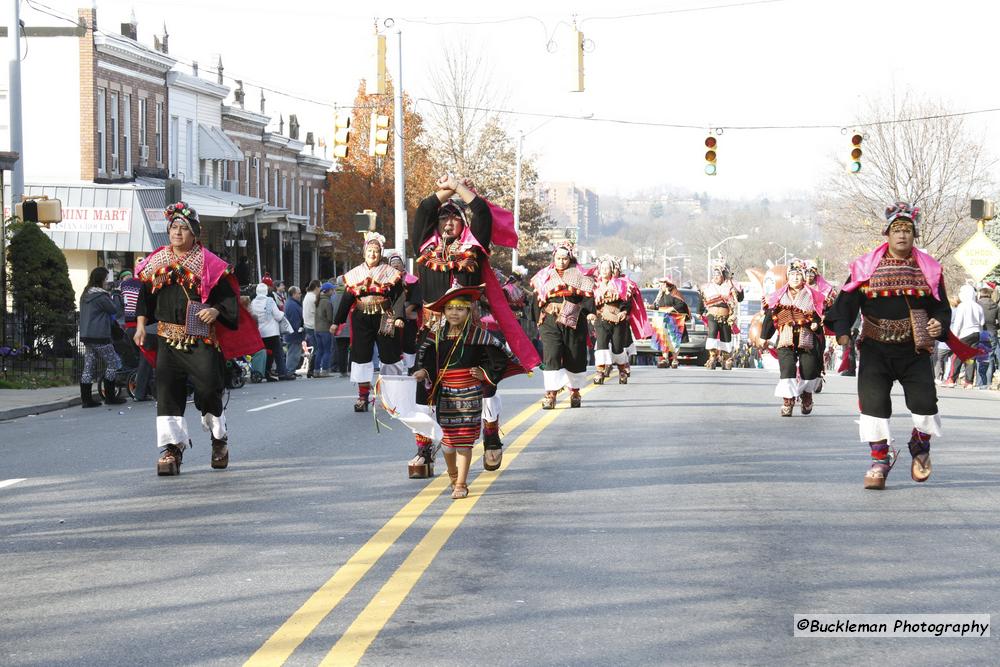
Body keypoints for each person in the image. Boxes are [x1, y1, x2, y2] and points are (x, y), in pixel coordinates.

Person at [826, 201, 967, 490]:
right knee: (874, 406)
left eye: (908, 230)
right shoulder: (865, 268)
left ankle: (920, 446)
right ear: (887, 234)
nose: (902, 235)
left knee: (926, 406)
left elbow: (941, 308)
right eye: (897, 229)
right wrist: (842, 332)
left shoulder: (929, 270)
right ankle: (880, 459)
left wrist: (939, 323)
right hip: (875, 348)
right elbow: (847, 303)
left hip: (914, 349)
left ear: (914, 235)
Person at [408, 175, 540, 477]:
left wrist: (459, 188)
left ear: (462, 224)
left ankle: (491, 433)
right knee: (424, 384)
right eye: (443, 219)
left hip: (469, 328)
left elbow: (481, 211)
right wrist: (444, 192)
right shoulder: (425, 247)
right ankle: (423, 448)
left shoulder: (474, 246)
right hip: (432, 327)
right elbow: (423, 210)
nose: (448, 224)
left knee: (484, 381)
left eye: (454, 219)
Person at [134, 202, 245, 475]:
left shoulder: (210, 264)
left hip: (200, 340)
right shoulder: (156, 261)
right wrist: (140, 326)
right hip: (166, 339)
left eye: (184, 228)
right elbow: (144, 299)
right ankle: (172, 449)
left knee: (209, 389)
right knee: (167, 394)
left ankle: (219, 440)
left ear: (195, 233)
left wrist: (214, 310)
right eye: (174, 227)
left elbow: (228, 301)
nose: (178, 232)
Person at [411, 285, 525, 499]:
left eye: (460, 309)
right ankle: (453, 475)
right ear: (444, 311)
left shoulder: (479, 336)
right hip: (445, 394)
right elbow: (428, 362)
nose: (454, 313)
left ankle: (461, 483)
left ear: (469, 311)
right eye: (450, 309)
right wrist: (423, 373)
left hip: (470, 394)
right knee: (447, 442)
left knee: (463, 441)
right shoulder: (436, 336)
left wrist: (484, 373)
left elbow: (498, 359)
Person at [333, 232, 406, 411]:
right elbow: (347, 299)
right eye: (369, 251)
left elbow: (398, 297)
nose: (372, 254)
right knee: (361, 356)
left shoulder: (391, 273)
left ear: (381, 253)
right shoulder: (354, 274)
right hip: (361, 317)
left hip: (386, 315)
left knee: (390, 356)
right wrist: (337, 321)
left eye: (376, 251)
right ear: (364, 252)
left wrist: (398, 317)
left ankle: (392, 398)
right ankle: (362, 397)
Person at [530, 242, 595, 409]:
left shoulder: (581, 275)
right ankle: (550, 394)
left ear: (570, 258)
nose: (561, 262)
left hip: (574, 320)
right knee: (551, 355)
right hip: (550, 321)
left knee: (574, 355)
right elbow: (536, 299)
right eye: (558, 258)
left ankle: (574, 391)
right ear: (554, 257)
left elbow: (588, 298)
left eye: (564, 258)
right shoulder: (544, 275)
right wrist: (538, 320)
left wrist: (590, 312)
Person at [759, 260, 825, 416]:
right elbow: (770, 317)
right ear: (787, 276)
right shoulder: (778, 295)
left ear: (803, 277)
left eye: (798, 275)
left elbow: (820, 314)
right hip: (786, 338)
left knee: (808, 370)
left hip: (806, 338)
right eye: (792, 274)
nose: (795, 278)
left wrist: (816, 323)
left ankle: (806, 394)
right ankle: (788, 400)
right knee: (787, 369)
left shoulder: (813, 296)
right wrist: (764, 337)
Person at [79, 267, 127, 408]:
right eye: (106, 279)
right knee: (112, 364)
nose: (107, 282)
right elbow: (114, 309)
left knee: (88, 367)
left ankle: (86, 400)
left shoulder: (86, 294)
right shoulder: (101, 296)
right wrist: (116, 294)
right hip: (100, 335)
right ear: (100, 280)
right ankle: (110, 397)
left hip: (87, 335)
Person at [592, 256, 635, 383]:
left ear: (612, 270)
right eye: (602, 268)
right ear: (599, 270)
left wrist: (624, 311)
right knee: (601, 346)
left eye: (607, 268)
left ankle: (622, 370)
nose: (604, 270)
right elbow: (588, 302)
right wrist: (590, 313)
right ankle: (600, 371)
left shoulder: (621, 284)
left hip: (618, 320)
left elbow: (626, 301)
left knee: (617, 347)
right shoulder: (594, 286)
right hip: (601, 319)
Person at [699, 259, 744, 370]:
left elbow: (740, 299)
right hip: (712, 315)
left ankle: (726, 358)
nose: (716, 277)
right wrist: (701, 312)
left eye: (718, 274)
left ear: (723, 275)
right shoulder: (708, 287)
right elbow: (702, 301)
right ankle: (712, 357)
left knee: (726, 337)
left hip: (726, 316)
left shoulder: (729, 286)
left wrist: (736, 287)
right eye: (714, 274)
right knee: (712, 334)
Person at [944, 284, 984, 388]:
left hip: (964, 334)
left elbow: (958, 322)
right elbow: (982, 322)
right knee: (970, 358)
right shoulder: (978, 306)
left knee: (956, 357)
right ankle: (969, 382)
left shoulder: (963, 306)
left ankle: (951, 379)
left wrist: (954, 336)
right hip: (976, 334)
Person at [251, 282, 293, 381]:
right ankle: (282, 373)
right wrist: (282, 313)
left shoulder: (253, 302)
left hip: (260, 332)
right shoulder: (269, 301)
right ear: (266, 291)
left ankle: (266, 373)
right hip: (271, 332)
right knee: (278, 352)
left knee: (267, 353)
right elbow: (278, 316)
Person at [387, 251, 420, 370]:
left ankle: (411, 368)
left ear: (403, 265)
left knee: (409, 342)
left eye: (398, 262)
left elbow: (417, 298)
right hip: (391, 316)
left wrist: (407, 311)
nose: (396, 265)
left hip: (408, 316)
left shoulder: (412, 280)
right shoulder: (385, 281)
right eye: (393, 263)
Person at [652, 277, 690, 368]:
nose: (660, 286)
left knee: (674, 340)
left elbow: (682, 305)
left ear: (666, 284)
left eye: (661, 284)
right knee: (663, 339)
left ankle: (675, 359)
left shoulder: (675, 294)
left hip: (674, 322)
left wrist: (671, 309)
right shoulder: (660, 295)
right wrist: (650, 306)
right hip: (663, 321)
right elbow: (656, 306)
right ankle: (665, 359)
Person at [977, 286, 999, 387]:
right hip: (992, 332)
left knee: (981, 358)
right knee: (989, 357)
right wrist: (995, 326)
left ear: (980, 294)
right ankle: (988, 383)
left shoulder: (977, 305)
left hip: (981, 332)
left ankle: (980, 383)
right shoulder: (996, 306)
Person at [330, 277, 352, 377]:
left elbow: (331, 312)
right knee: (352, 349)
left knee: (341, 349)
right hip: (350, 326)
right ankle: (351, 369)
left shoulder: (333, 297)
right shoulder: (350, 294)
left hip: (337, 326)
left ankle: (342, 371)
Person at [314, 282, 335, 377]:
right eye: (332, 290)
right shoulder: (327, 302)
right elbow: (330, 317)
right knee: (327, 350)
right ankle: (325, 370)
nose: (333, 291)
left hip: (317, 329)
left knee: (319, 350)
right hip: (325, 329)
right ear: (328, 291)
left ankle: (316, 370)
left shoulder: (318, 300)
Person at [283, 286, 305, 375]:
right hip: (294, 334)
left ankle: (290, 369)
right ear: (293, 294)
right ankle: (289, 370)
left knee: (292, 352)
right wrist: (299, 329)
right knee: (293, 353)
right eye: (299, 293)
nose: (300, 295)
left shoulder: (291, 303)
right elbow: (295, 320)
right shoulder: (292, 305)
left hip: (292, 333)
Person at [302, 280, 321, 378]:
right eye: (320, 287)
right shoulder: (313, 297)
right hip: (313, 325)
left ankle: (311, 369)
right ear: (316, 287)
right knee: (317, 349)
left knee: (313, 348)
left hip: (307, 325)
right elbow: (317, 312)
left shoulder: (307, 296)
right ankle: (312, 369)